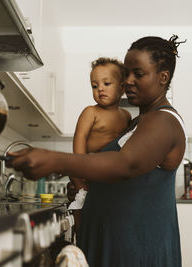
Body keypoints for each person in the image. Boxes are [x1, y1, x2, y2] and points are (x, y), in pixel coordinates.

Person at [8, 35, 186, 267]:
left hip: (136, 249)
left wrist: (56, 160)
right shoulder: (136, 122)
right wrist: (88, 186)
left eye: (138, 74)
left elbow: (126, 164)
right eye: (126, 73)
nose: (128, 81)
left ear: (163, 77)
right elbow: (115, 174)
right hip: (112, 243)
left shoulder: (165, 121)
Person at [69, 57, 131, 233]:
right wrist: (80, 174)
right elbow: (79, 139)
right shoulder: (91, 112)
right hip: (87, 171)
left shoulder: (126, 116)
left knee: (108, 221)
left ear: (122, 87)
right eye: (94, 86)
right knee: (84, 217)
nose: (100, 89)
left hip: (110, 178)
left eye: (106, 83)